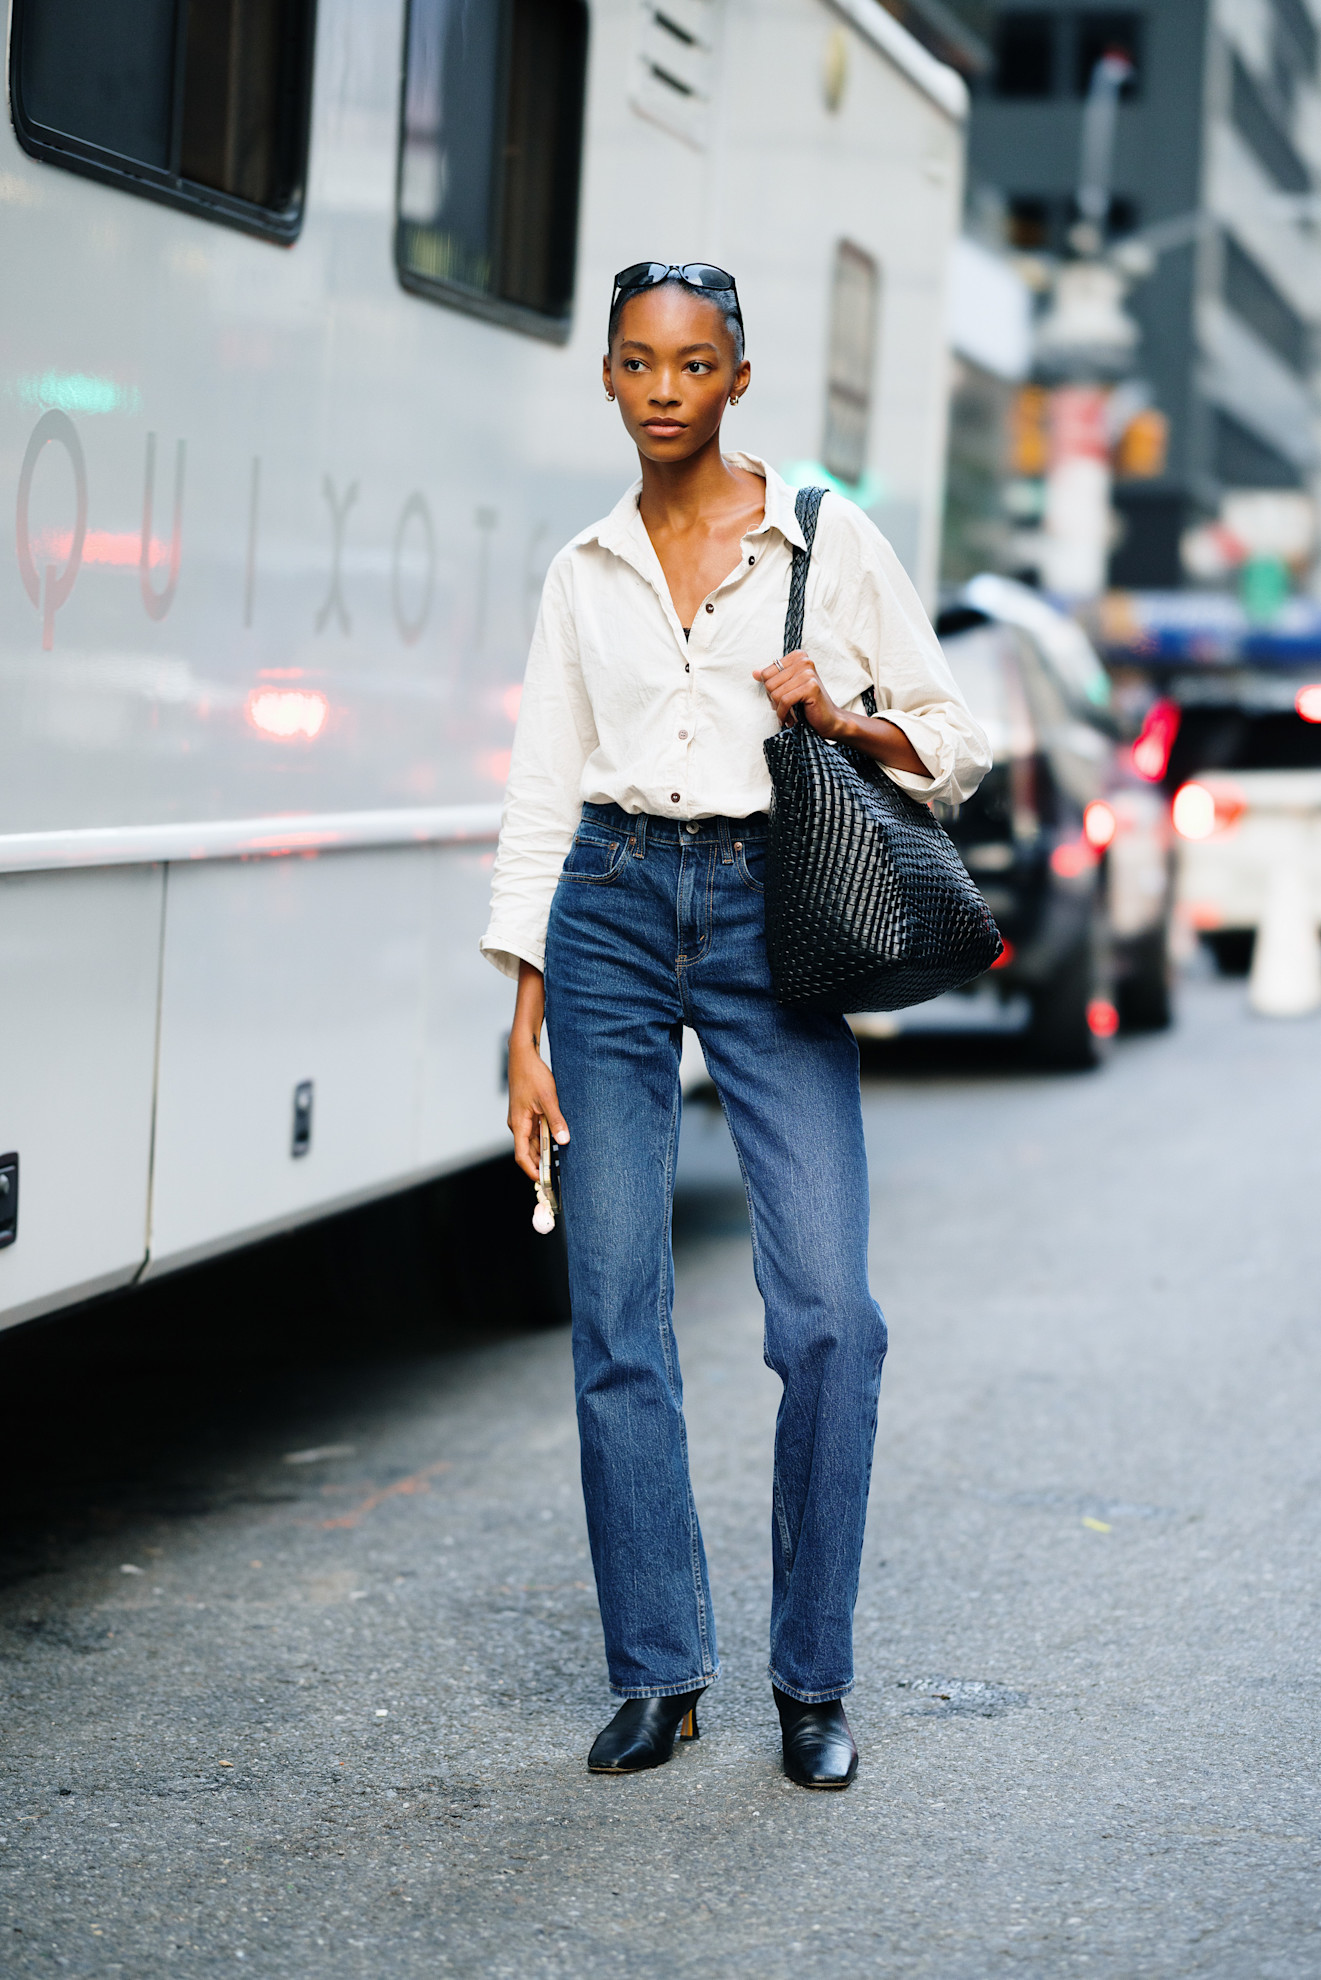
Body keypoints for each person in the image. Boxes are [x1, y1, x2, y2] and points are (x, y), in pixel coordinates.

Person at [481, 261, 989, 1788]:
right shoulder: (582, 569)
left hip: (773, 913)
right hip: (613, 913)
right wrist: (523, 1017)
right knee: (615, 1309)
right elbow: (539, 793)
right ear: (610, 379)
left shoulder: (824, 541)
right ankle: (661, 1674)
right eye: (634, 362)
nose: (658, 390)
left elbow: (956, 743)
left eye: (689, 365)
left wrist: (838, 713)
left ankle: (810, 1683)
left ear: (736, 381)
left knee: (829, 1314)